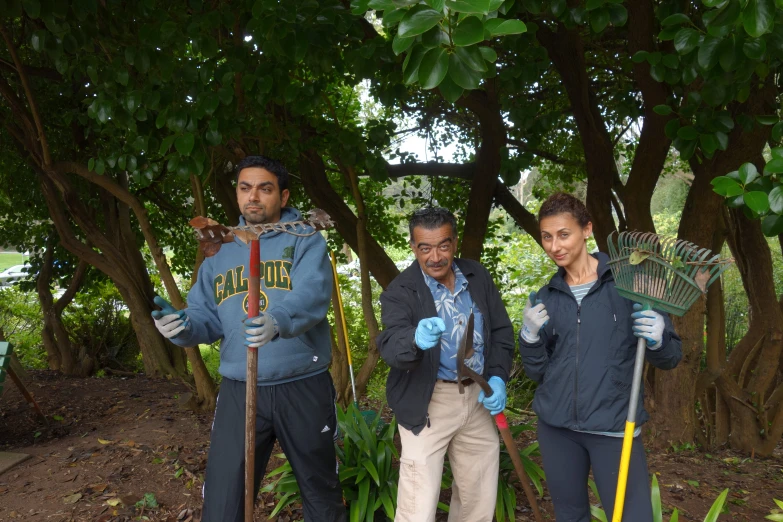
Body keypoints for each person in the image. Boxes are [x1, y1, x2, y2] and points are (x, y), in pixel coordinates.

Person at [151, 155, 345, 522]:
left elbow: (313, 295)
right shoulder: (220, 248)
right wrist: (182, 325)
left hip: (302, 384)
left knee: (321, 496)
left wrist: (278, 320)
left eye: (264, 188)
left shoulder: (305, 238)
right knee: (224, 501)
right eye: (245, 188)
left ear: (283, 196)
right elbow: (205, 316)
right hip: (240, 387)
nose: (253, 196)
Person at [519, 192, 682, 522]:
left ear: (587, 230)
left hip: (614, 427)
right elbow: (537, 372)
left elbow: (671, 357)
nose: (554, 246)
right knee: (569, 515)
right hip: (557, 428)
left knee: (632, 516)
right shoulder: (547, 295)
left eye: (564, 234)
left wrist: (658, 338)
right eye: (547, 237)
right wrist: (530, 338)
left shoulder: (631, 283)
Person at [376, 207, 514, 522]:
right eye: (425, 247)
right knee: (417, 508)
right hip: (428, 400)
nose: (435, 256)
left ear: (453, 243)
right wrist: (413, 339)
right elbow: (391, 346)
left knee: (477, 502)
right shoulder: (400, 291)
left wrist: (497, 378)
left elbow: (503, 332)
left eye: (443, 245)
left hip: (478, 397)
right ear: (413, 246)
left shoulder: (477, 276)